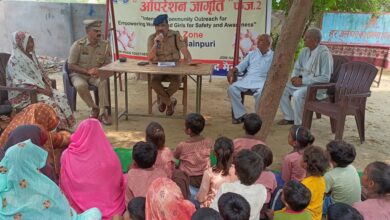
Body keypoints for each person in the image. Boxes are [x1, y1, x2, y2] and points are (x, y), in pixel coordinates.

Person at [0, 140, 102, 219]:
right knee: (95, 212)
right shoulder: (48, 187)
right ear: (32, 162)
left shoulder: (4, 196)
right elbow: (64, 213)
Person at [6, 31, 75, 130]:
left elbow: (41, 73)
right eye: (27, 42)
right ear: (20, 44)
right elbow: (21, 83)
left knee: (61, 96)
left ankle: (68, 127)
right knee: (50, 103)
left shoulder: (31, 55)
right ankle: (56, 131)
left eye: (31, 41)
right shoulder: (14, 60)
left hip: (39, 88)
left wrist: (47, 86)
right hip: (25, 94)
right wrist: (43, 90)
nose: (31, 45)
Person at [60, 119, 125, 220]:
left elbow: (64, 184)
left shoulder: (67, 155)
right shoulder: (111, 156)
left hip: (80, 210)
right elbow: (119, 181)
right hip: (113, 210)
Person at [278, 28, 333, 125]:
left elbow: (325, 78)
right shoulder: (304, 51)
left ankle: (299, 124)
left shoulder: (324, 54)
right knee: (281, 89)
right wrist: (294, 78)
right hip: (302, 83)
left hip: (316, 87)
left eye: (307, 37)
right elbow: (297, 67)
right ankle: (289, 117)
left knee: (297, 95)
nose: (304, 39)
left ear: (316, 40)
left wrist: (303, 81)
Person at [0, 103, 71, 176]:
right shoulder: (39, 132)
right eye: (50, 117)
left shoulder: (12, 128)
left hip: (7, 170)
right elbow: (62, 140)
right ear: (46, 117)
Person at [147, 14, 192, 116]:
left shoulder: (175, 35)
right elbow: (149, 58)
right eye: (157, 26)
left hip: (174, 68)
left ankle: (163, 100)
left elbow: (185, 52)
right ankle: (169, 102)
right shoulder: (152, 38)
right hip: (159, 68)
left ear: (168, 26)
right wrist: (156, 44)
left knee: (177, 82)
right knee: (153, 82)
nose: (160, 28)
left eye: (162, 25)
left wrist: (187, 63)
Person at [68, 19, 112, 125]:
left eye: (99, 31)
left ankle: (103, 113)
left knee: (103, 82)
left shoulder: (105, 45)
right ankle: (94, 107)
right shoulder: (78, 45)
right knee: (80, 85)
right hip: (79, 74)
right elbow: (71, 65)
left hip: (95, 75)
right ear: (87, 31)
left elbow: (108, 64)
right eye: (95, 31)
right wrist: (87, 71)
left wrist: (99, 70)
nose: (99, 33)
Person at [227, 34, 273, 124]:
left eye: (261, 41)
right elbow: (242, 65)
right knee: (232, 88)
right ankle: (241, 115)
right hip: (248, 79)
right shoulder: (252, 53)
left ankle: (258, 117)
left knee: (261, 93)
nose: (258, 42)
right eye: (258, 40)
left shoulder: (273, 56)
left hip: (262, 81)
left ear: (268, 44)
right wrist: (233, 70)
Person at [211, 149, 267, 220]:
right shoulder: (262, 190)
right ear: (258, 175)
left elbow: (214, 210)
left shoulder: (226, 188)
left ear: (236, 172)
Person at [174, 113, 213, 199]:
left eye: (185, 126)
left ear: (189, 131)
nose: (183, 127)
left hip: (189, 180)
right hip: (204, 178)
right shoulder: (208, 141)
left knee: (175, 169)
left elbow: (175, 157)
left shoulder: (182, 145)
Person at [196, 137, 238, 208]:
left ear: (214, 153)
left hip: (213, 208)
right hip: (232, 207)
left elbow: (201, 198)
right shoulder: (237, 170)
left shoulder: (209, 173)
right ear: (232, 153)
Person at [324, 140, 361, 205]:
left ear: (334, 161)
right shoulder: (352, 168)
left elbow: (322, 195)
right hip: (355, 206)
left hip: (338, 209)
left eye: (327, 153)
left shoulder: (330, 176)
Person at [301, 146, 329, 220]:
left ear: (305, 164)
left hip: (305, 217)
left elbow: (297, 204)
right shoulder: (321, 179)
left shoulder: (304, 185)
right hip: (317, 216)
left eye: (302, 157)